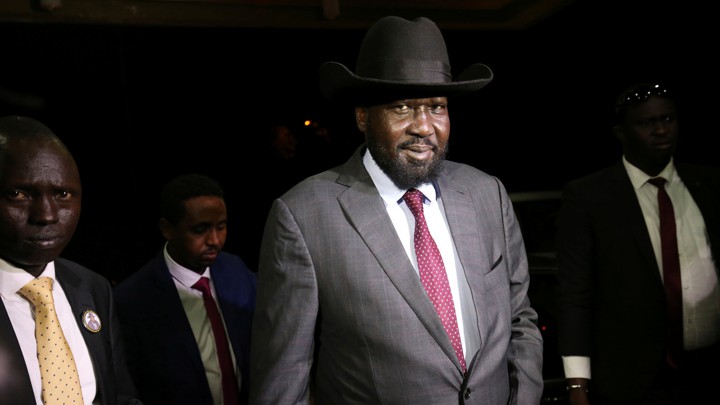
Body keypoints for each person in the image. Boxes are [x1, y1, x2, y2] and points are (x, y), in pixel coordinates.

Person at [249, 15, 544, 405]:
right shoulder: (303, 216)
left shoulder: (487, 193)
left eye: (437, 107)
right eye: (403, 107)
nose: (424, 126)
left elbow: (520, 319)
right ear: (362, 116)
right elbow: (285, 377)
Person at [555, 82, 720, 404]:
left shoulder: (709, 184)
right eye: (647, 123)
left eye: (668, 119)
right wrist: (577, 386)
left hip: (709, 368)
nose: (661, 130)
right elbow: (574, 294)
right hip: (631, 378)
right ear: (621, 132)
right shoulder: (589, 197)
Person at [0, 115, 140, 404]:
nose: (47, 215)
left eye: (62, 194)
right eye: (19, 194)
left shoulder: (93, 288)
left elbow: (120, 395)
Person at [113, 173, 257, 405]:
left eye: (221, 227)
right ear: (167, 229)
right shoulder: (132, 300)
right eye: (200, 230)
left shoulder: (236, 270)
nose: (215, 240)